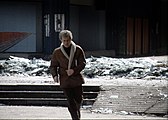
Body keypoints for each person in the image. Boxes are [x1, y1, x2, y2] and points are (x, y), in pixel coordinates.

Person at [50, 30, 86, 120]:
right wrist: (55, 75)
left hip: (76, 79)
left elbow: (83, 63)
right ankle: (75, 118)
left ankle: (76, 113)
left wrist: (74, 70)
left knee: (78, 100)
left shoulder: (77, 49)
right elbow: (53, 65)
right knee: (70, 102)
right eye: (64, 40)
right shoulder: (57, 52)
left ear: (71, 39)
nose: (66, 42)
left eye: (68, 40)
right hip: (65, 80)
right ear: (61, 40)